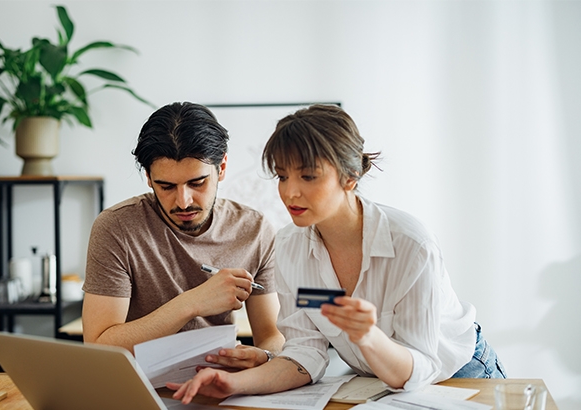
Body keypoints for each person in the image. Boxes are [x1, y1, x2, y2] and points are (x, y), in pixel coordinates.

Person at [169, 104, 506, 403]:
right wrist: (233, 383)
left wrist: (368, 336)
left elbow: (419, 366)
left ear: (351, 176)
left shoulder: (411, 245)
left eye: (308, 176)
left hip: (460, 377)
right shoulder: (288, 245)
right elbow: (305, 354)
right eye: (282, 176)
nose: (289, 192)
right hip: (378, 386)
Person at [82, 102, 284, 369]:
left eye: (197, 183)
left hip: (219, 386)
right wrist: (192, 303)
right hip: (139, 389)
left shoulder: (254, 230)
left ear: (221, 167)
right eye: (166, 186)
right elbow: (99, 347)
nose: (184, 201)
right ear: (148, 177)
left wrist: (265, 355)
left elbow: (271, 335)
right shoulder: (116, 228)